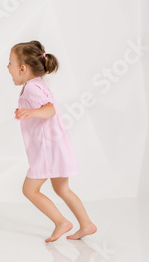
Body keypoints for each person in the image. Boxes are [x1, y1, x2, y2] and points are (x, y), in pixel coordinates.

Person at [8, 40, 97, 242]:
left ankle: (61, 222)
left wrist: (31, 111)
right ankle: (87, 225)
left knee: (29, 190)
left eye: (10, 63)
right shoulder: (36, 84)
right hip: (56, 145)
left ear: (23, 68)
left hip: (46, 149)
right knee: (62, 189)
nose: (8, 67)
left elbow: (50, 110)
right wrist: (28, 113)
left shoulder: (31, 88)